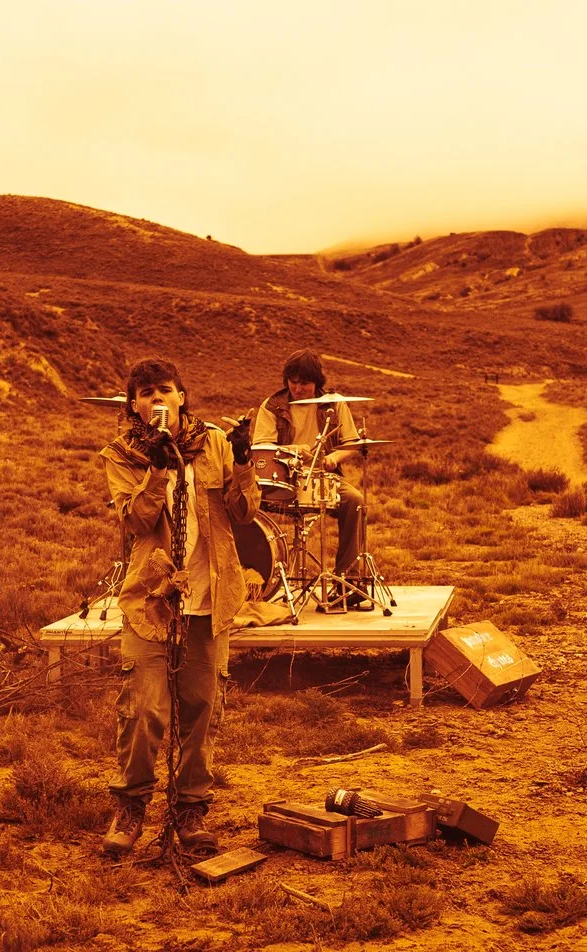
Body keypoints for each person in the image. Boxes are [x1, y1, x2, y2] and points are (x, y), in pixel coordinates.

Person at [97, 358, 258, 855]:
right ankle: (131, 806)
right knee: (144, 708)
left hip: (210, 596)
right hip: (151, 599)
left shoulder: (212, 442)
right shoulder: (123, 455)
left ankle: (190, 810)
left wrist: (244, 463)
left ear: (182, 396)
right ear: (133, 406)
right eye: (145, 393)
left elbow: (244, 513)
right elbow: (137, 524)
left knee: (202, 709)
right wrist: (159, 472)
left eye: (165, 390)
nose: (156, 400)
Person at [247, 351, 370, 589]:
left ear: (316, 382)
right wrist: (293, 450)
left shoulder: (334, 403)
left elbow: (352, 442)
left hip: (323, 478)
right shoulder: (272, 406)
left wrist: (333, 458)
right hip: (283, 478)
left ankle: (348, 580)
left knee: (355, 501)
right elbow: (262, 448)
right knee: (239, 502)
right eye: (293, 382)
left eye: (304, 383)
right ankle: (248, 578)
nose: (298, 388)